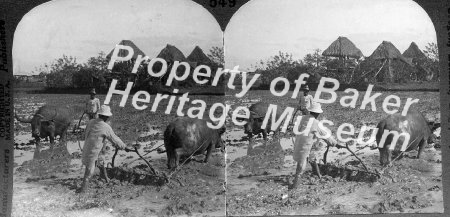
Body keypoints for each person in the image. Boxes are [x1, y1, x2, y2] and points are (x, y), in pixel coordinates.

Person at [290, 102, 344, 190]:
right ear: (317, 113)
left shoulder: (302, 118)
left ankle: (319, 177)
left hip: (299, 143)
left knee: (311, 159)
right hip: (305, 147)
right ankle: (294, 188)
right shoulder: (316, 123)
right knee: (300, 168)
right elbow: (326, 135)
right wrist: (335, 144)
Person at [79, 105, 130, 193]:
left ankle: (105, 178)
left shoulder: (91, 122)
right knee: (88, 175)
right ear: (106, 117)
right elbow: (115, 139)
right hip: (92, 154)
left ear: (99, 115)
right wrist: (124, 147)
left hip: (86, 150)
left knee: (99, 162)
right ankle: (82, 193)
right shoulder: (105, 127)